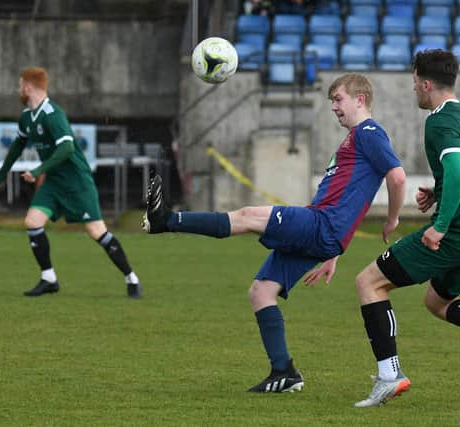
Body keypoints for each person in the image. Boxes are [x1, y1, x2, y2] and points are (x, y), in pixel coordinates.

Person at [143, 73, 406, 392]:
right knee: (261, 292)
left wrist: (392, 219)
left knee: (248, 215)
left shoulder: (369, 132)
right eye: (332, 101)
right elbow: (353, 197)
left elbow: (398, 177)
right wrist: (334, 249)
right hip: (325, 231)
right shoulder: (356, 137)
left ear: (360, 99)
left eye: (338, 99)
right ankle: (284, 372)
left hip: (321, 224)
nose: (334, 107)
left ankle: (166, 220)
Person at [340, 49, 460, 407]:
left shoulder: (439, 121)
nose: (414, 91)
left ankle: (389, 376)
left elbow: (458, 170)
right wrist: (438, 193)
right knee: (437, 301)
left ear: (426, 84)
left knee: (369, 283)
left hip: (456, 232)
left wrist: (440, 225)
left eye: (414, 84)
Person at [0, 67, 143, 298]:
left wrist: (38, 170)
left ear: (29, 86)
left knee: (96, 231)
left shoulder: (53, 114)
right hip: (53, 183)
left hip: (76, 182)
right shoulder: (26, 117)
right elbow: (17, 146)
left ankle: (132, 279)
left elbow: (67, 147)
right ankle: (49, 278)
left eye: (20, 85)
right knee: (32, 221)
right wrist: (1, 176)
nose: (18, 89)